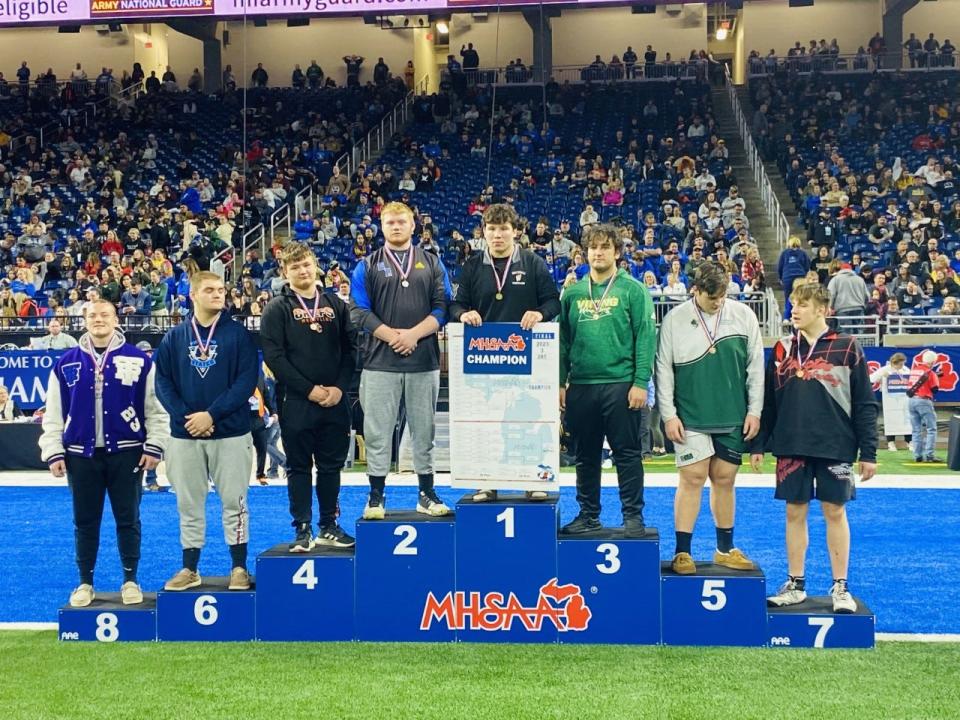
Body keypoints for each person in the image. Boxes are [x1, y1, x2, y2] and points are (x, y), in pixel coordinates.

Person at [752, 283, 878, 614]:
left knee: (834, 511)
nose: (794, 310)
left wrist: (869, 452)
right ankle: (795, 584)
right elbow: (768, 402)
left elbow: (865, 402)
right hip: (791, 443)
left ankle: (840, 586)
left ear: (822, 310)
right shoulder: (781, 348)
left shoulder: (848, 347)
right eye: (793, 304)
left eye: (802, 305)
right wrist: (758, 444)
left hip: (836, 444)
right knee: (795, 511)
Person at [39, 300, 169, 607]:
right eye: (93, 315)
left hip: (127, 453)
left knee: (129, 519)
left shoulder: (139, 360)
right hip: (80, 455)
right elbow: (54, 413)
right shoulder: (66, 363)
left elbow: (155, 407)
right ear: (84, 320)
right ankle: (85, 582)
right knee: (85, 521)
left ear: (116, 319)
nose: (99, 319)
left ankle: (130, 580)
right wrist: (54, 451)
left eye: (105, 315)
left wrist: (155, 445)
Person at [655, 262, 764, 574]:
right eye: (711, 297)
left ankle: (725, 549)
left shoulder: (744, 315)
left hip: (732, 412)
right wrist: (669, 415)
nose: (718, 302)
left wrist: (754, 410)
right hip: (690, 414)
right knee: (692, 478)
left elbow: (755, 368)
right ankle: (682, 552)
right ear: (696, 290)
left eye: (723, 296)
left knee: (725, 479)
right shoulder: (675, 319)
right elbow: (663, 369)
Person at [154, 271, 259, 592]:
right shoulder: (174, 337)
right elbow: (163, 385)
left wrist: (211, 415)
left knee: (235, 502)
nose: (218, 295)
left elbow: (245, 382)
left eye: (221, 290)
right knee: (188, 504)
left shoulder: (239, 335)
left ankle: (239, 567)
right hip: (185, 435)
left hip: (231, 433)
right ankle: (190, 568)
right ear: (193, 295)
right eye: (210, 290)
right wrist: (189, 418)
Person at [449, 203, 562, 502]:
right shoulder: (473, 265)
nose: (497, 235)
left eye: (503, 229)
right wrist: (464, 315)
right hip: (485, 359)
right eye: (492, 229)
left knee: (529, 419)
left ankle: (534, 479)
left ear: (516, 231)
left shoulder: (532, 262)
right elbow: (456, 305)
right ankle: (486, 481)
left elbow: (554, 303)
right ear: (484, 232)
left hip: (527, 359)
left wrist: (539, 314)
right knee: (490, 422)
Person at [351, 202, 453, 519]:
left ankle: (426, 493)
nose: (396, 227)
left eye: (402, 222)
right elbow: (358, 311)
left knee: (425, 432)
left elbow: (444, 307)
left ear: (413, 226)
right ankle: (376, 497)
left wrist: (412, 336)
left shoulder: (432, 263)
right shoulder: (366, 265)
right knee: (378, 432)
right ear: (381, 227)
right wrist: (394, 337)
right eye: (390, 222)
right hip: (380, 361)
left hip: (423, 361)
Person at [558, 223, 655, 537]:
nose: (597, 253)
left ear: (617, 252)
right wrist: (560, 382)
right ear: (585, 252)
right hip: (582, 386)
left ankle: (632, 517)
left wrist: (641, 382)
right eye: (592, 247)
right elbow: (563, 342)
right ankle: (588, 515)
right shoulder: (572, 293)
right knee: (585, 456)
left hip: (621, 384)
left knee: (626, 453)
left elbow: (645, 337)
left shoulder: (632, 289)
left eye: (604, 248)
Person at [261, 243, 357, 551]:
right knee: (299, 467)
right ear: (285, 272)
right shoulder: (277, 307)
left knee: (331, 466)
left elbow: (351, 350)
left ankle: (329, 524)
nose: (302, 271)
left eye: (306, 264)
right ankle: (302, 528)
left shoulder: (335, 304)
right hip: (297, 402)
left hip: (335, 400)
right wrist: (309, 389)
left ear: (315, 266)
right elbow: (275, 358)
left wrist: (340, 388)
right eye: (295, 267)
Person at [869, 352, 913, 453]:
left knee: (906, 421)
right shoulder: (885, 369)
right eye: (900, 364)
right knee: (891, 421)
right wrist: (882, 377)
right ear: (894, 362)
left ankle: (909, 442)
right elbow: (871, 378)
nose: (902, 366)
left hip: (904, 400)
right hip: (890, 400)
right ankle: (891, 443)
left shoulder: (906, 370)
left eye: (903, 363)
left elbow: (911, 381)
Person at [906, 350, 942, 463]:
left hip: (911, 401)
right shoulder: (930, 373)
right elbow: (935, 389)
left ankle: (917, 455)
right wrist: (937, 376)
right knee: (931, 429)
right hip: (924, 400)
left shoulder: (914, 371)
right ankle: (930, 455)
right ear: (932, 362)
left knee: (916, 430)